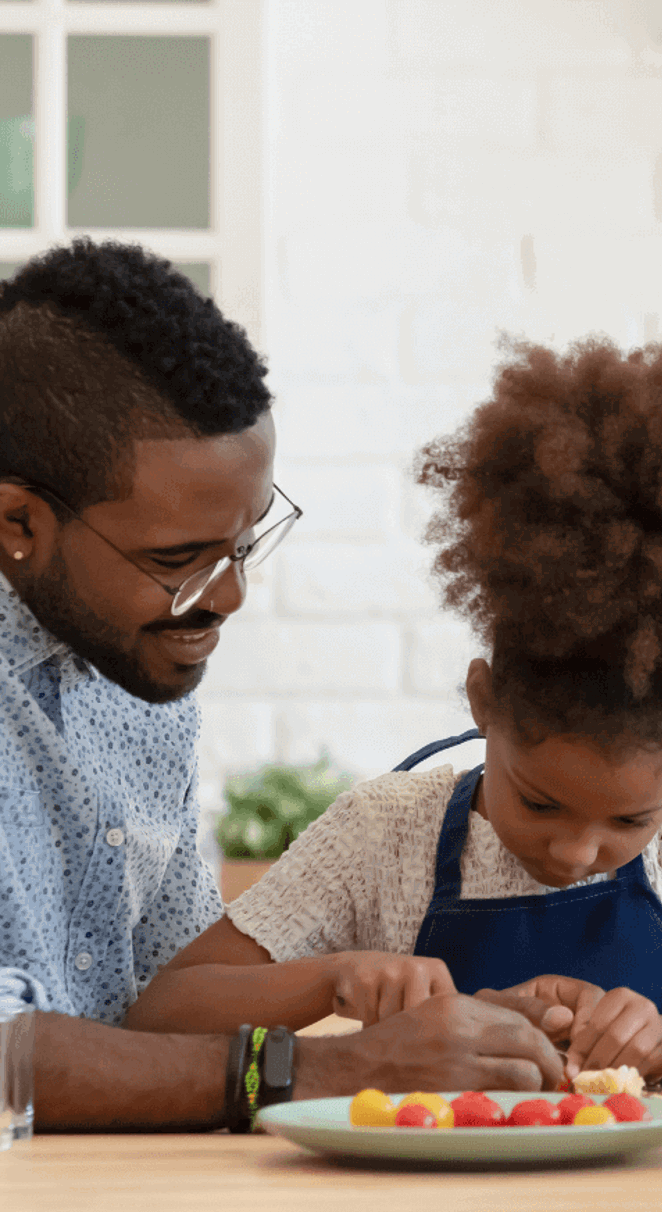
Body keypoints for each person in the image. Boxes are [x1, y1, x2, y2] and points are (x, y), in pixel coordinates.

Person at [126, 336, 662, 1081]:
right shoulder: (384, 834)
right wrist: (333, 977)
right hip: (434, 1197)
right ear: (484, 702)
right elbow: (160, 1012)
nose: (574, 851)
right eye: (542, 801)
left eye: (629, 821)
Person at [0, 239, 567, 1130]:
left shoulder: (134, 670)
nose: (227, 595)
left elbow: (161, 997)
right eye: (176, 560)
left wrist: (393, 1007)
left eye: (243, 543)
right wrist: (330, 1065)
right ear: (19, 522)